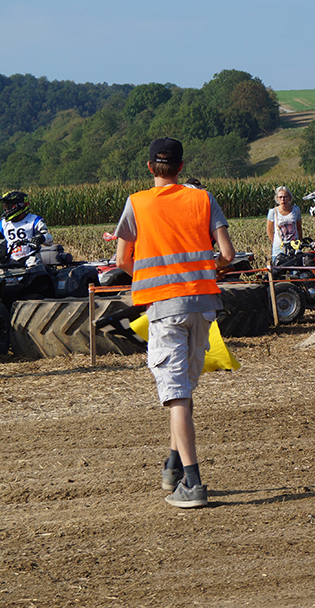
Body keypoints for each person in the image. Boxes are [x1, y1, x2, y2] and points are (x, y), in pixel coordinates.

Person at [113, 138, 234, 510]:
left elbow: (122, 260)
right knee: (183, 391)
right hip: (202, 306)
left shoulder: (136, 204)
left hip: (165, 309)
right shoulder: (203, 199)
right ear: (181, 167)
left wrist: (156, 278)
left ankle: (193, 483)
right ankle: (173, 465)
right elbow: (227, 255)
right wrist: (195, 273)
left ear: (150, 167)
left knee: (177, 394)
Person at [0, 191, 54, 266]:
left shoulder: (35, 220)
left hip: (31, 259)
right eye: (5, 207)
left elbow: (49, 240)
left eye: (9, 207)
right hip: (10, 260)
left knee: (32, 268)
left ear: (20, 205)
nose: (6, 210)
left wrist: (40, 238)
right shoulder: (2, 224)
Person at [266, 186, 303, 262]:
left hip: (294, 247)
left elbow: (299, 228)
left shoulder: (296, 210)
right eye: (280, 197)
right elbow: (269, 231)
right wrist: (276, 242)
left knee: (295, 271)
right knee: (279, 271)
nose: (283, 200)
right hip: (279, 248)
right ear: (277, 198)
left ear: (289, 198)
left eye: (285, 197)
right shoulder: (273, 212)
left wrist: (299, 243)